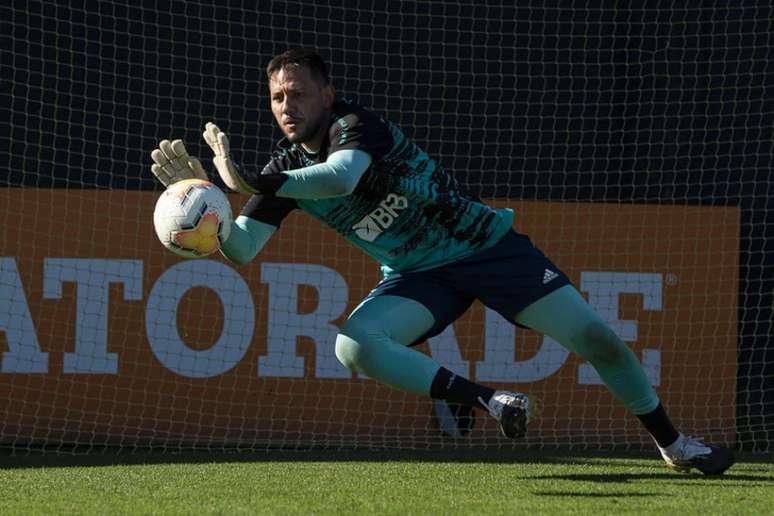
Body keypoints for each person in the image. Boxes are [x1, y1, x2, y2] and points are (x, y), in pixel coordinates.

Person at [150, 48, 734, 475]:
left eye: (298, 92)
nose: (287, 105)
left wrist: (249, 178)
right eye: (277, 96)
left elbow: (340, 178)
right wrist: (212, 218)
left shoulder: (357, 126)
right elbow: (245, 250)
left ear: (327, 94)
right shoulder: (278, 172)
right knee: (352, 345)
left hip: (485, 245)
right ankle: (486, 400)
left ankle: (674, 445)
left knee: (599, 340)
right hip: (418, 276)